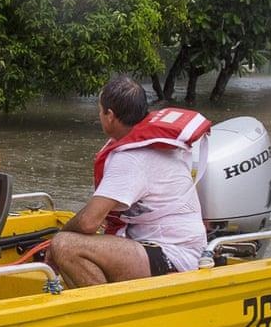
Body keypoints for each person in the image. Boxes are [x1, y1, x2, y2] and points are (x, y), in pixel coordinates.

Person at [49, 75, 212, 287]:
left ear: (110, 115)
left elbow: (89, 221)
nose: (100, 115)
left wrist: (59, 238)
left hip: (173, 254)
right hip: (167, 245)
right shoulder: (152, 143)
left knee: (64, 245)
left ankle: (108, 315)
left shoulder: (131, 157)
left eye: (100, 110)